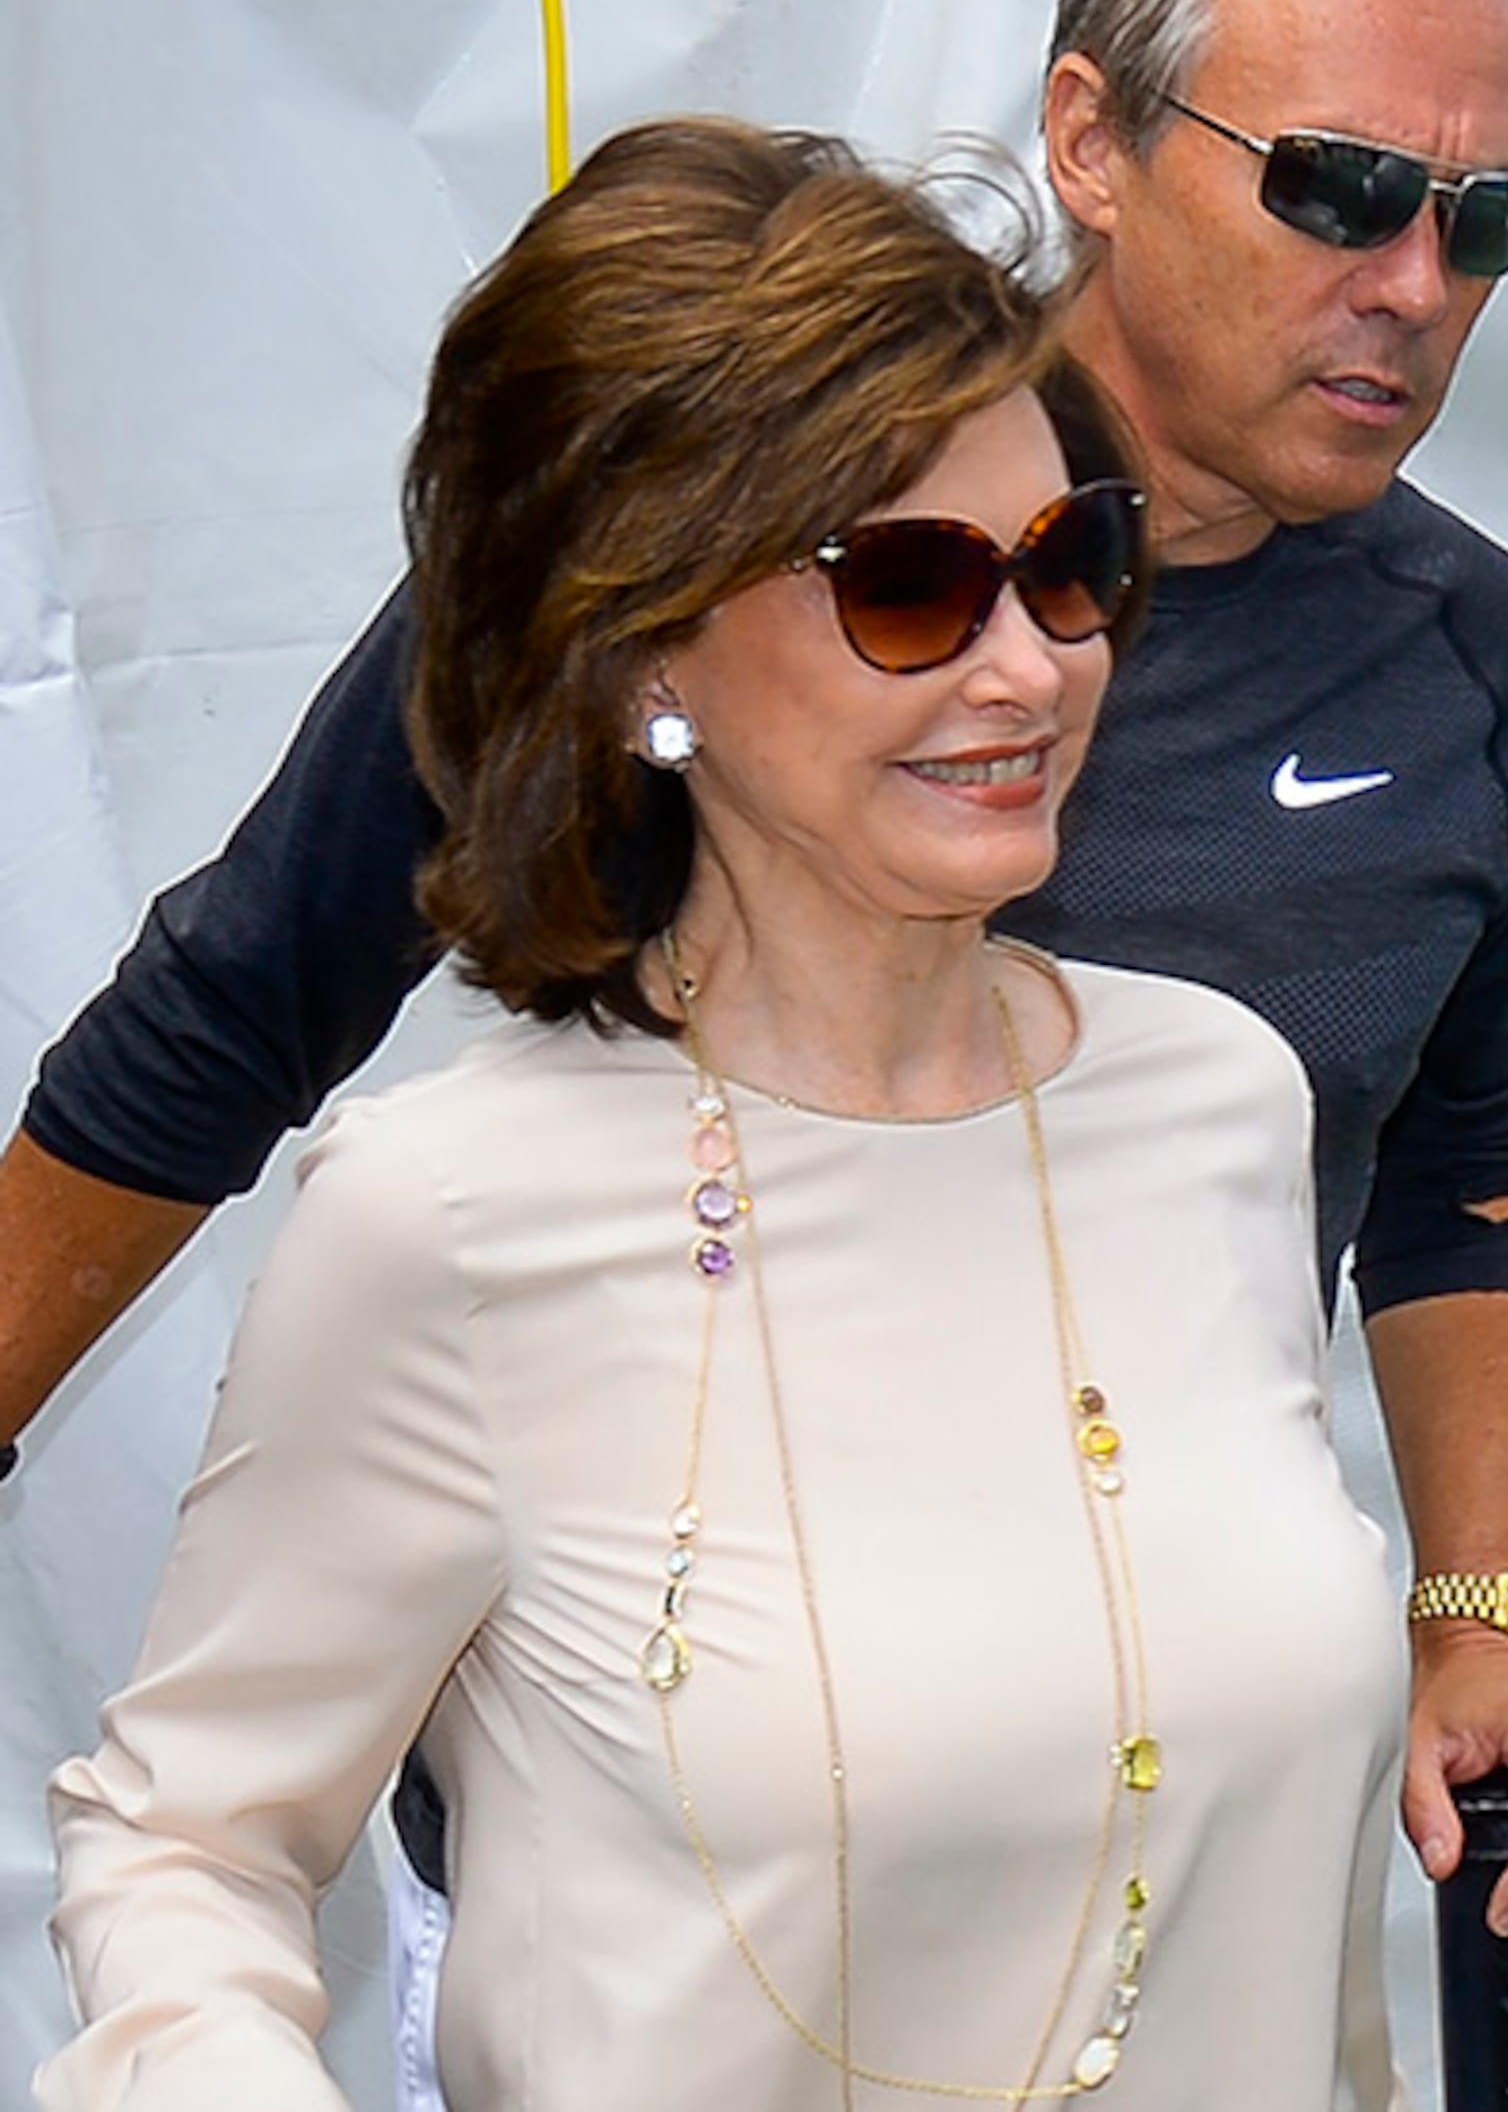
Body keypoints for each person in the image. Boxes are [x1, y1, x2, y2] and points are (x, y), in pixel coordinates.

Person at [0, 0, 1508, 1932]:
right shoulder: (717, 543)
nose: (1414, 284)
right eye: (1345, 188)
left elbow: (1460, 1141)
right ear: (1092, 136)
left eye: (1486, 219)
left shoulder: (1475, 662)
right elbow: (232, 1004)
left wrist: (1478, 1613)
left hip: (1164, 1812)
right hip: (645, 1863)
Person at [41, 116, 1408, 2108]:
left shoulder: (1218, 1101)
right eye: (915, 585)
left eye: (1068, 563)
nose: (1030, 664)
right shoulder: (453, 1218)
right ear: (642, 651)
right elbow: (185, 1834)